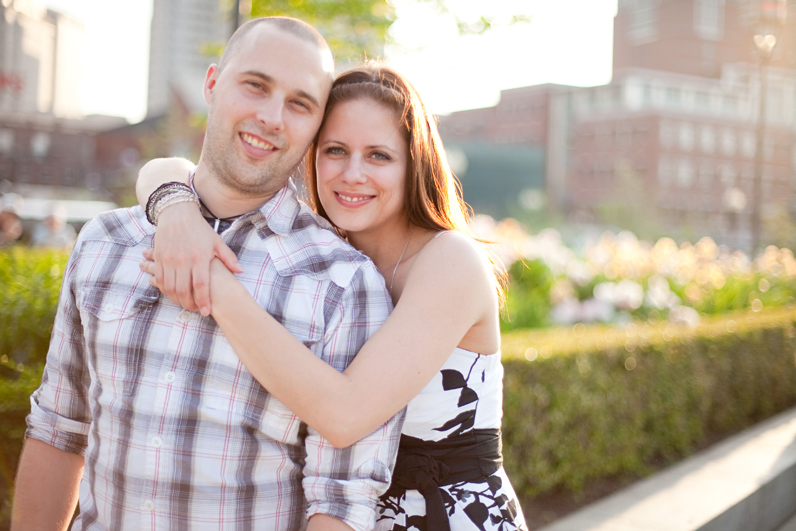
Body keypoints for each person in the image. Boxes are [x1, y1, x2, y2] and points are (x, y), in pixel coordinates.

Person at [12, 17, 403, 531]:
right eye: (255, 85)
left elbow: (341, 499)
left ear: (314, 128)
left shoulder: (344, 284)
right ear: (213, 83)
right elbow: (59, 429)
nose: (271, 116)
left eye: (299, 104)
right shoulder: (106, 243)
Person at [137, 62, 528, 531]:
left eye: (379, 156)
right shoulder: (324, 255)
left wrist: (211, 279)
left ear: (414, 163)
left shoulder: (449, 260)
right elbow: (169, 169)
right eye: (336, 151)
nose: (352, 174)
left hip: (448, 517)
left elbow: (345, 416)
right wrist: (177, 211)